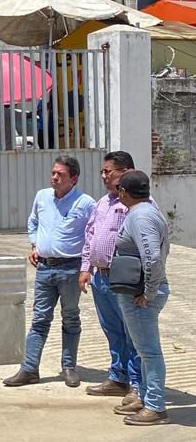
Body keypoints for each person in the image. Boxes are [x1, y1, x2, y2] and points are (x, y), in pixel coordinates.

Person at [4, 155, 95, 388]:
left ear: (73, 179)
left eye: (60, 174)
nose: (54, 177)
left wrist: (87, 268)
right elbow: (33, 222)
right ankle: (29, 369)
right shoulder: (42, 197)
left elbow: (93, 236)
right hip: (44, 268)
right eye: (53, 173)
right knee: (40, 319)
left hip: (71, 269)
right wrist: (34, 244)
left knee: (71, 318)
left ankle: (69, 367)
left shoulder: (86, 204)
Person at [79, 151, 142, 400]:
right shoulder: (103, 202)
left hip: (124, 280)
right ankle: (118, 377)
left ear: (125, 172)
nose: (103, 176)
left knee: (133, 333)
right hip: (101, 278)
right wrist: (86, 268)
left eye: (108, 171)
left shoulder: (136, 205)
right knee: (113, 330)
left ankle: (138, 385)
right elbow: (90, 235)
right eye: (103, 172)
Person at [113, 171, 171, 426]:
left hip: (141, 296)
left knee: (148, 351)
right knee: (143, 349)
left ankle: (156, 406)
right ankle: (147, 398)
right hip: (140, 293)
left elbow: (152, 258)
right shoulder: (145, 211)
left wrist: (148, 292)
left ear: (124, 192)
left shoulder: (141, 216)